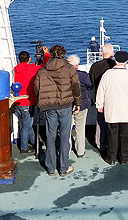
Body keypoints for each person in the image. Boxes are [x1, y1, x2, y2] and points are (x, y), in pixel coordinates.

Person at [33, 45, 82, 176]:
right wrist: (77, 103)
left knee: (50, 136)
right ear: (63, 54)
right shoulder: (69, 69)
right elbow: (76, 87)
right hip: (65, 105)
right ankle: (63, 167)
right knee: (65, 137)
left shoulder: (43, 70)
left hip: (49, 107)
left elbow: (36, 88)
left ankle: (50, 167)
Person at [95, 50, 128, 165]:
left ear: (115, 60)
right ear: (126, 61)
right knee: (125, 135)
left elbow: (101, 91)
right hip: (126, 110)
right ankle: (124, 158)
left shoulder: (107, 74)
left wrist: (99, 105)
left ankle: (111, 157)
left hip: (112, 110)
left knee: (112, 134)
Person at [12, 50, 41, 153]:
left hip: (18, 101)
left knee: (28, 123)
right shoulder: (31, 69)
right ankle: (24, 147)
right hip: (28, 102)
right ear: (29, 59)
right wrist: (45, 55)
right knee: (26, 125)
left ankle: (34, 142)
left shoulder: (16, 70)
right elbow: (44, 66)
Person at [89, 44, 116, 153]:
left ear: (102, 53)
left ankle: (100, 144)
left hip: (99, 98)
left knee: (100, 122)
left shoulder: (95, 66)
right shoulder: (114, 65)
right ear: (112, 53)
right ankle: (112, 143)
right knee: (112, 122)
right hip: (113, 98)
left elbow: (90, 81)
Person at [69, 54, 93, 158]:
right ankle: (80, 151)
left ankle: (67, 150)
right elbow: (90, 85)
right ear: (77, 65)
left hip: (67, 105)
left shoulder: (64, 75)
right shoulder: (83, 75)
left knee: (66, 129)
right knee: (80, 128)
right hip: (82, 104)